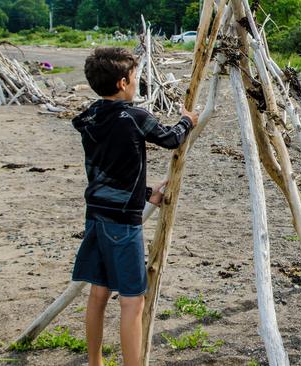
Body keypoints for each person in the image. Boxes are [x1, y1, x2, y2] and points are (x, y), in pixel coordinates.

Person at [71, 47, 198, 366]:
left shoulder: (89, 117)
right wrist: (187, 121)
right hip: (122, 225)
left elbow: (110, 171)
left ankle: (95, 361)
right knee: (132, 301)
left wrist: (144, 193)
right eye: (135, 78)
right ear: (123, 82)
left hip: (96, 216)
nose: (137, 83)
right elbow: (170, 138)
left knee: (98, 294)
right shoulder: (134, 117)